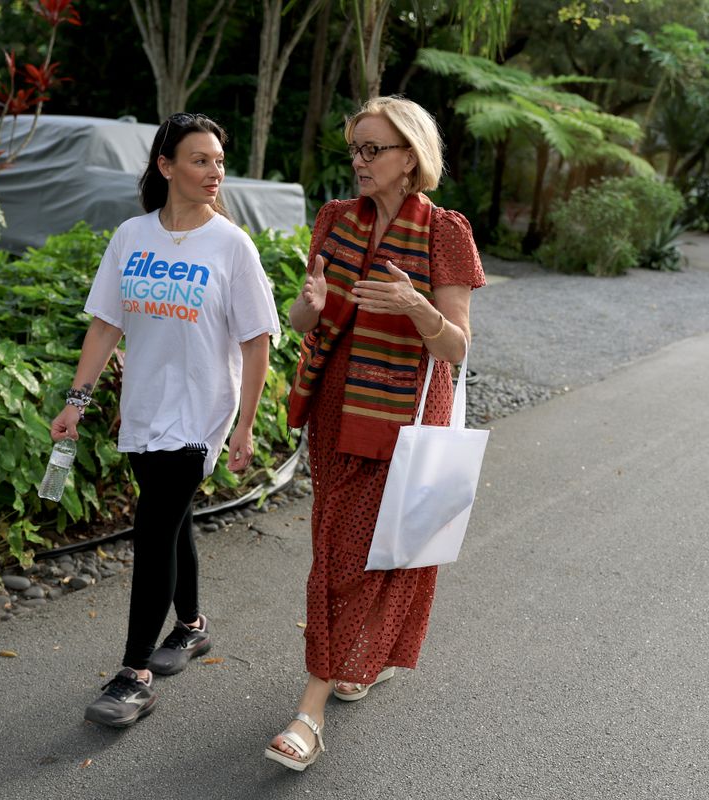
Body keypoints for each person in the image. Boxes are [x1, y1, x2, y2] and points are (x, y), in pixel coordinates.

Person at [265, 96, 486, 770]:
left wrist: (414, 304)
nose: (359, 162)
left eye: (373, 150)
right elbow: (307, 322)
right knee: (342, 545)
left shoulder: (445, 231)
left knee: (355, 556)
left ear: (410, 157)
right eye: (354, 149)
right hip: (337, 407)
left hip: (404, 413)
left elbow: (455, 345)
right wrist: (306, 307)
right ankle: (360, 657)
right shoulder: (335, 220)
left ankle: (309, 713)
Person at [49, 112, 280, 728]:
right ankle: (194, 626)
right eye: (200, 160)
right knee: (170, 521)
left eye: (218, 161)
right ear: (166, 166)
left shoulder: (232, 244)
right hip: (145, 408)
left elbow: (257, 341)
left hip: (202, 412)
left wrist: (245, 425)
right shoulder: (132, 236)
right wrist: (77, 400)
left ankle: (133, 673)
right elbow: (105, 325)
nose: (214, 172)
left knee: (152, 531)